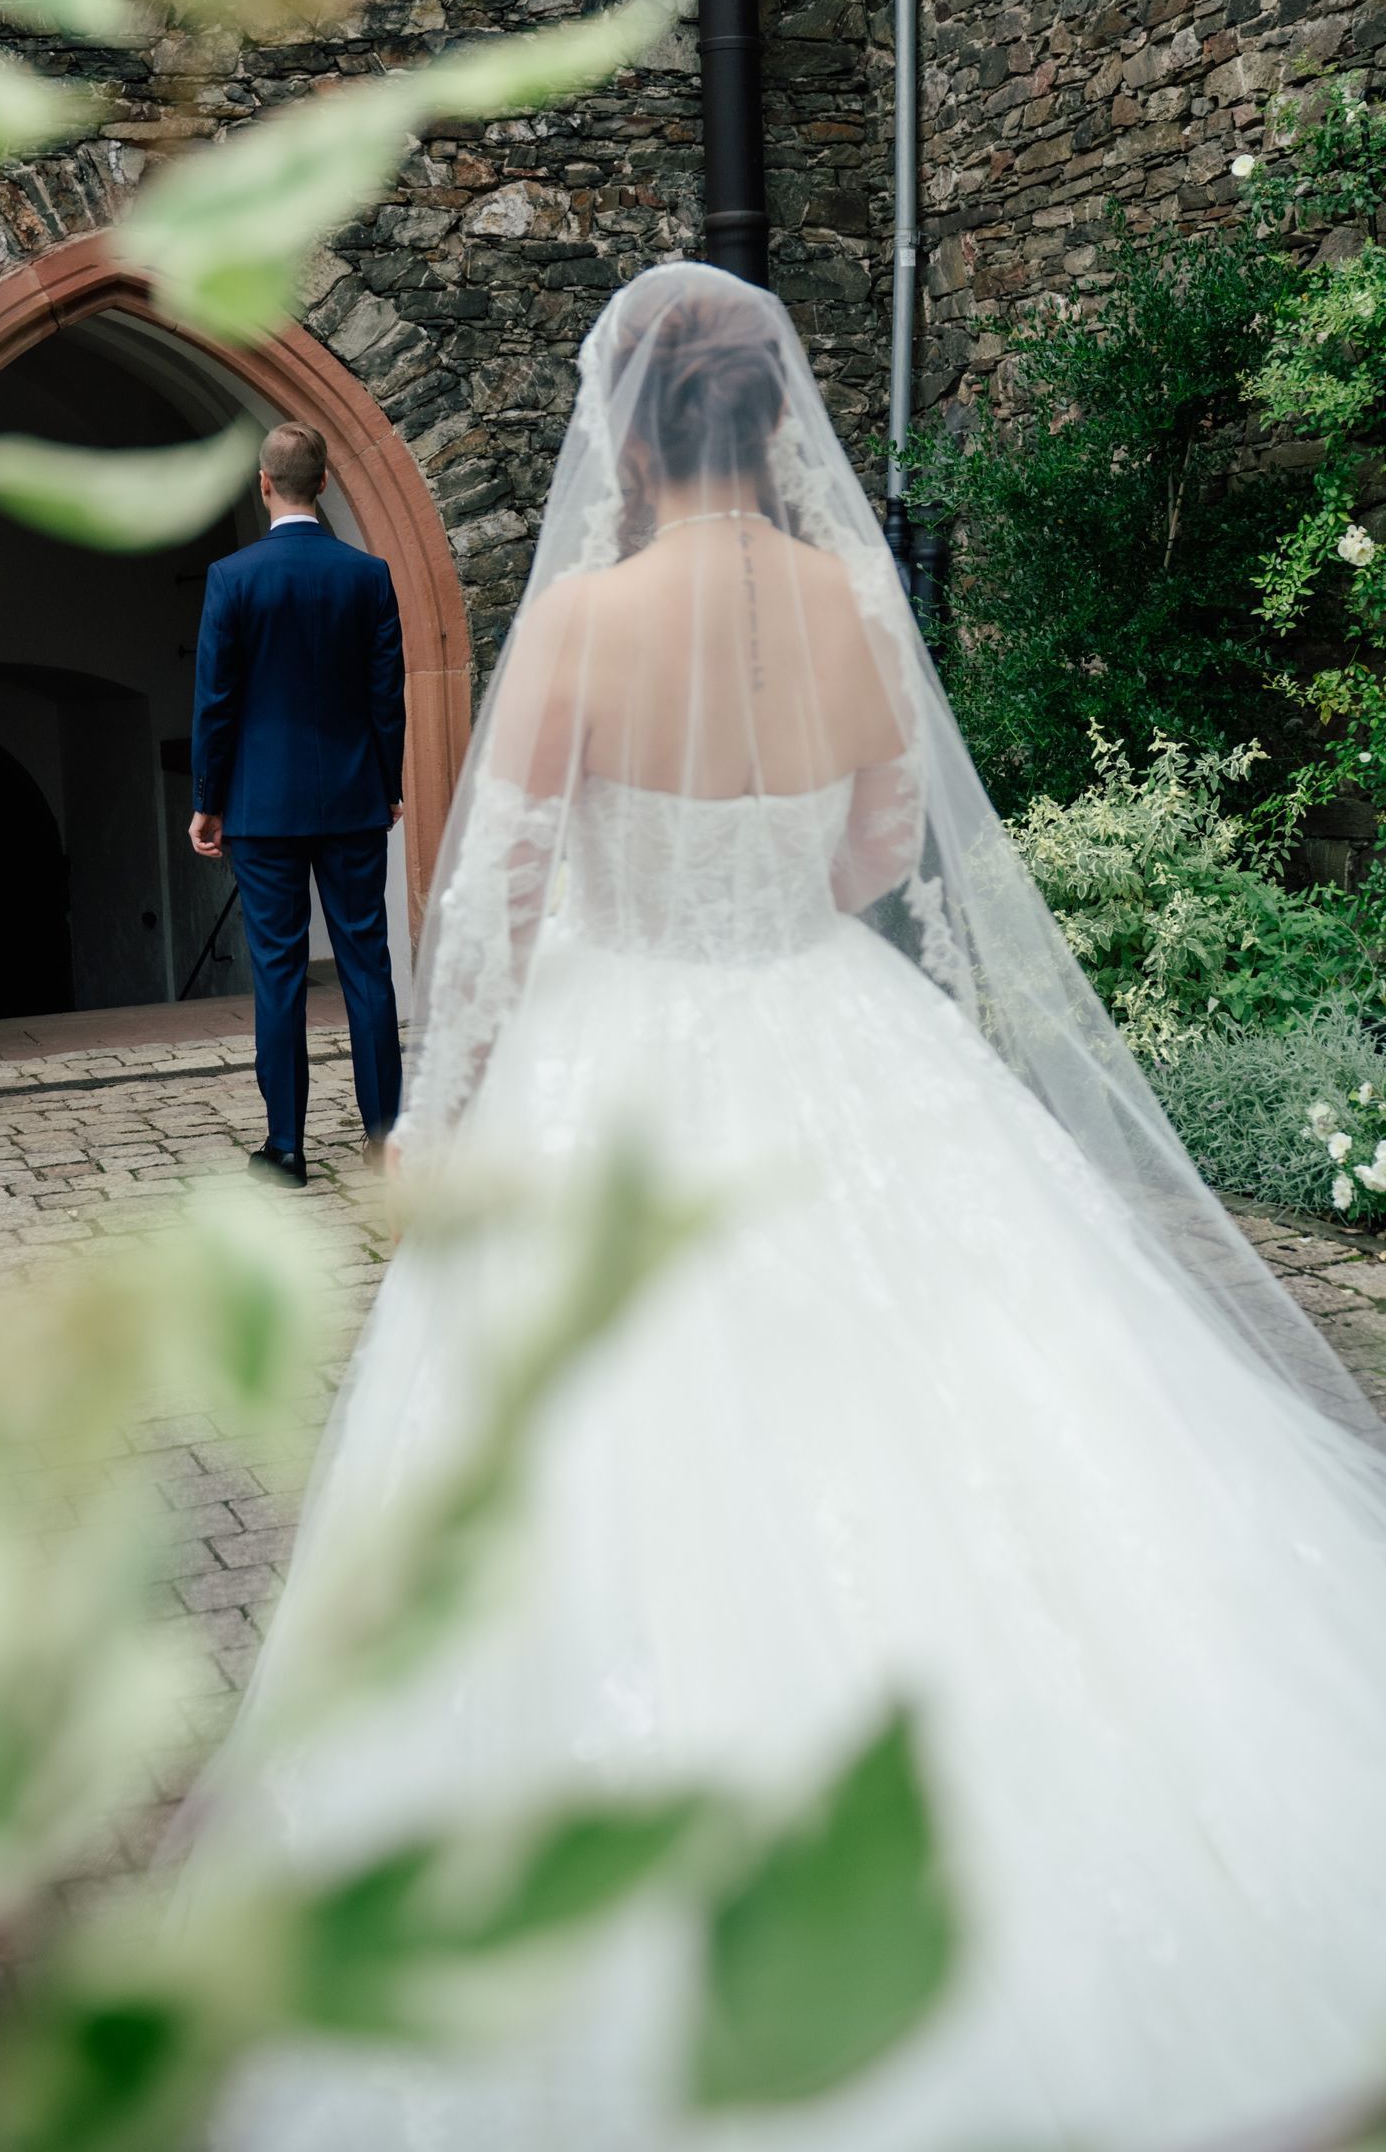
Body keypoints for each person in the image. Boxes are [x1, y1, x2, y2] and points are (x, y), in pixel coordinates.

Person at [197, 266, 1386, 2152]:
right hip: (840, 1033)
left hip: (620, 1060)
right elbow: (878, 850)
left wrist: (436, 1115)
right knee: (988, 1425)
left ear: (630, 435)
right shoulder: (853, 601)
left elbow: (491, 907)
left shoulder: (583, 623)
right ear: (769, 424)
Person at [190, 421, 405, 1188]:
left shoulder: (233, 578)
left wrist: (207, 801)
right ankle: (386, 1141)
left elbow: (216, 701)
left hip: (263, 807)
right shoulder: (368, 576)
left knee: (278, 973)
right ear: (324, 481)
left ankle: (286, 1147)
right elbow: (388, 696)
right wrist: (389, 785)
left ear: (264, 482)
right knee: (366, 966)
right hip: (352, 800)